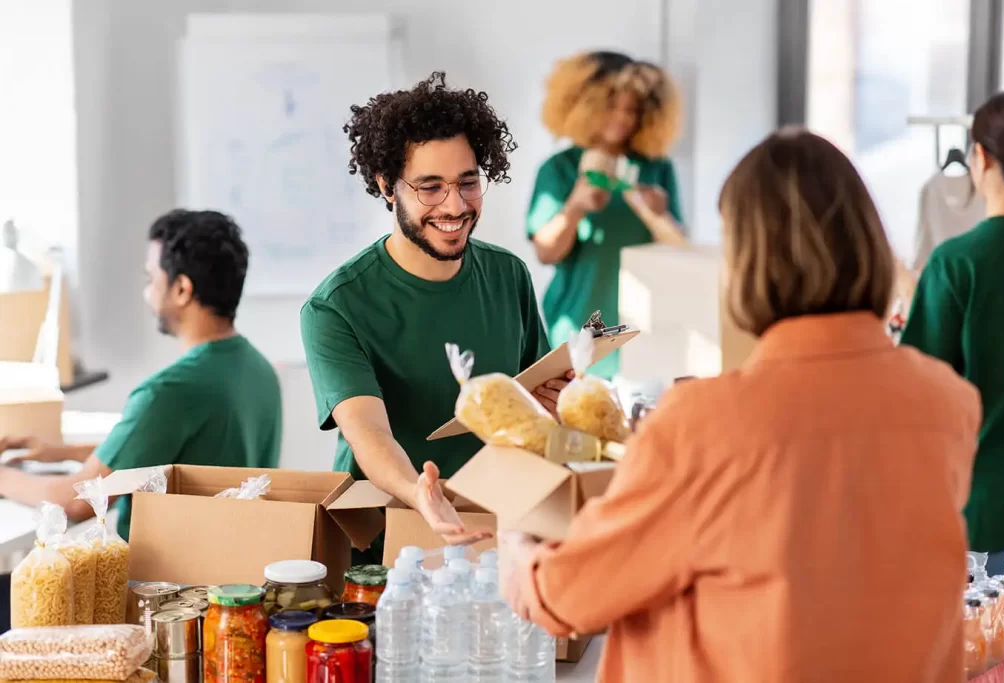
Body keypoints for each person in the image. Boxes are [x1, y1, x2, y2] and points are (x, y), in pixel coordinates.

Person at [500, 129, 980, 682]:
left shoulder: (705, 423)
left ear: (749, 262)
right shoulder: (947, 402)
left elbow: (569, 596)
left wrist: (517, 548)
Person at [300, 72, 567, 562]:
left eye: (468, 182)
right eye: (430, 188)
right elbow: (369, 433)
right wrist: (418, 490)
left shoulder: (508, 275)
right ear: (386, 186)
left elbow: (533, 400)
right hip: (385, 544)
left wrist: (557, 403)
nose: (455, 205)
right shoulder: (335, 307)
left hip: (501, 527)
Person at [0, 209, 282, 542]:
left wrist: (3, 478)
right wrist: (63, 452)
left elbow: (77, 501)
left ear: (181, 289)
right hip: (231, 570)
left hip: (165, 584)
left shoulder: (169, 393)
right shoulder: (258, 369)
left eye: (150, 278)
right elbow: (172, 452)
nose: (147, 291)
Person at [900, 91, 1004, 596]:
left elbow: (919, 387)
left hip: (981, 502)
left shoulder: (957, 264)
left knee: (981, 653)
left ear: (981, 158)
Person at [527, 51, 686, 380]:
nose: (622, 118)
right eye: (610, 106)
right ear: (585, 106)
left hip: (646, 323)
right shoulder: (560, 169)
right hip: (579, 320)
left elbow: (678, 250)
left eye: (631, 109)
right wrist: (574, 207)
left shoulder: (657, 168)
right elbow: (545, 252)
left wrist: (659, 215)